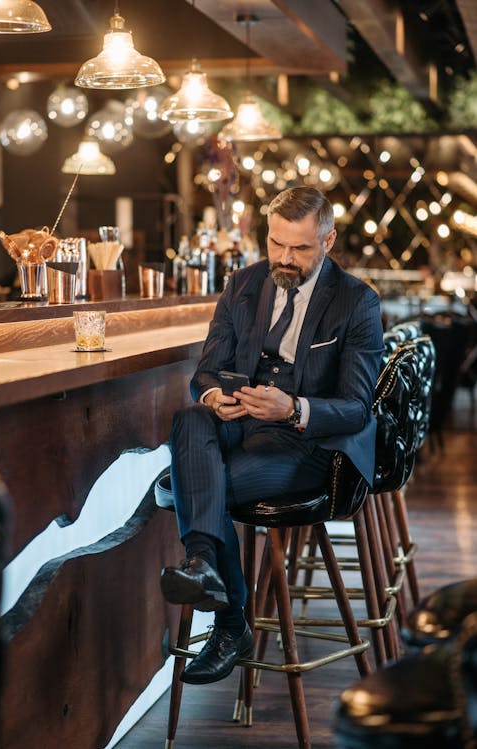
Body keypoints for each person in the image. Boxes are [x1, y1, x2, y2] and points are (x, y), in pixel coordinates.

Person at [160, 186, 384, 685]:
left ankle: (230, 619)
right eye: (275, 243)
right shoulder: (242, 283)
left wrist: (295, 408)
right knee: (190, 420)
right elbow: (207, 372)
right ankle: (202, 563)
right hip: (240, 422)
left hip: (306, 443)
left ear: (328, 241)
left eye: (300, 248)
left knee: (192, 486)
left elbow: (356, 407)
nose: (284, 258)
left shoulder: (356, 301)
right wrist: (215, 397)